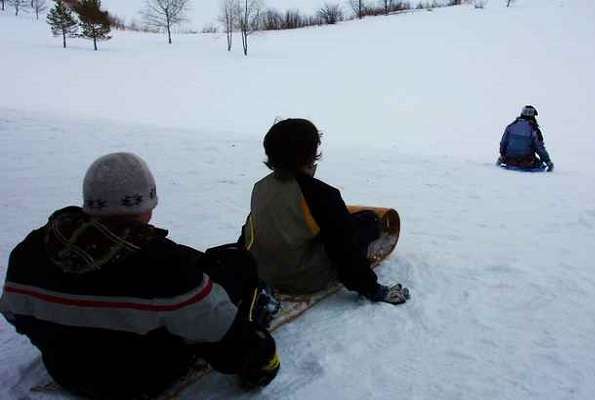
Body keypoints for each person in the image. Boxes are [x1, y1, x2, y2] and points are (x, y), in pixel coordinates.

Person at [0, 153, 279, 399]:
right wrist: (263, 355)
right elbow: (220, 331)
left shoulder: (31, 249)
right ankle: (256, 304)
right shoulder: (163, 265)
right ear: (144, 205)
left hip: (64, 370)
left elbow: (15, 314)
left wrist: (60, 339)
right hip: (136, 379)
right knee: (235, 266)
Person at [239, 119, 410, 305]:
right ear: (311, 154)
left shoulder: (260, 187)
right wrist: (372, 289)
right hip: (303, 279)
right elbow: (344, 248)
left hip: (263, 271)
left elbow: (252, 231)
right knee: (368, 222)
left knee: (339, 222)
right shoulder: (321, 194)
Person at [499, 105, 554, 172]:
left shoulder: (511, 126)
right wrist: (548, 161)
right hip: (526, 162)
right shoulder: (534, 129)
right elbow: (540, 148)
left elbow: (503, 143)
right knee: (540, 165)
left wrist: (502, 155)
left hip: (509, 160)